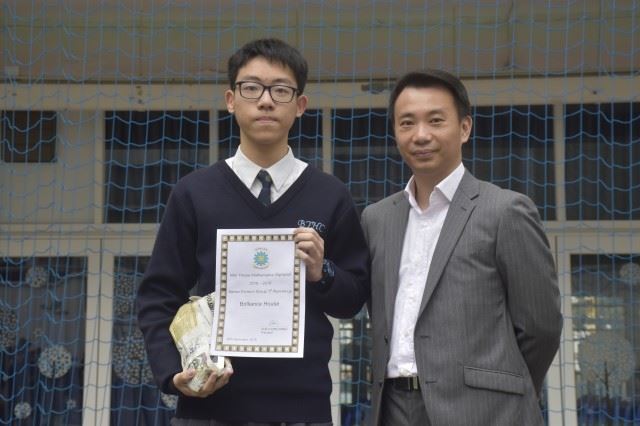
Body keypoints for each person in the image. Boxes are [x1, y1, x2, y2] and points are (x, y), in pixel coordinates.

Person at [136, 38, 369, 425]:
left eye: (280, 90)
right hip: (210, 409)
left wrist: (322, 271)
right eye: (251, 88)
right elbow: (157, 295)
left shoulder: (330, 195)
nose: (265, 101)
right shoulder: (194, 193)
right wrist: (173, 373)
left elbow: (354, 298)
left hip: (301, 410)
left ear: (300, 105)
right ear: (231, 100)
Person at [361, 69, 563, 426]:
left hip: (485, 412)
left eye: (435, 120)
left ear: (465, 128)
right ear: (395, 132)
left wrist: (504, 389)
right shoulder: (376, 219)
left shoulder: (505, 211)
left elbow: (540, 327)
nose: (421, 135)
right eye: (407, 123)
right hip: (390, 408)